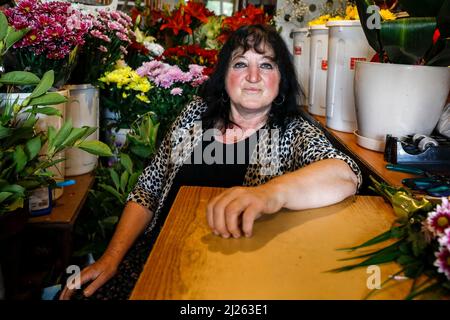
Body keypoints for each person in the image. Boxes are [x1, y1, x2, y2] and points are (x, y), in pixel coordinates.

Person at [60, 24, 362, 300]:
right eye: (241, 64)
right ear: (224, 74)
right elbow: (148, 189)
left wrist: (269, 193)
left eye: (266, 65)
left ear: (281, 79)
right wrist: (112, 257)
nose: (253, 77)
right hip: (158, 257)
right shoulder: (195, 113)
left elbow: (344, 174)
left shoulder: (292, 129)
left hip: (237, 277)